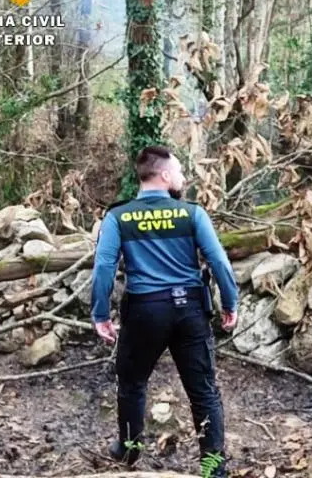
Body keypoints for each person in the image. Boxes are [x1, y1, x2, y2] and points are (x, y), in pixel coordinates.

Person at [90, 145, 239, 478]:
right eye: (181, 170)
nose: (183, 176)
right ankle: (213, 469)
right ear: (166, 175)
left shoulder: (118, 216)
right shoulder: (192, 213)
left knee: (131, 383)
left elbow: (103, 267)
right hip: (189, 310)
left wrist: (100, 314)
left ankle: (128, 452)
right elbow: (218, 262)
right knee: (203, 391)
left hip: (145, 310)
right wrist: (230, 303)